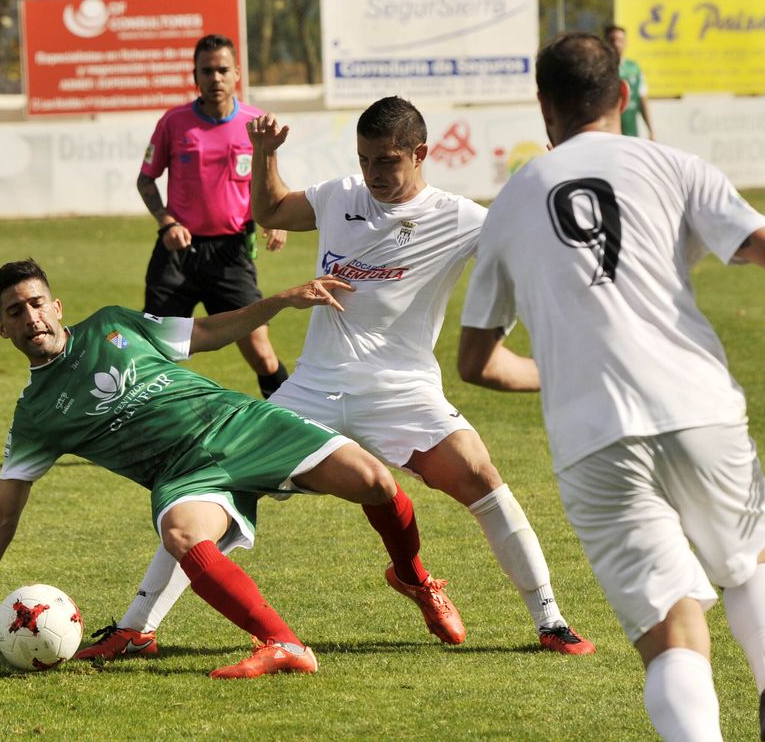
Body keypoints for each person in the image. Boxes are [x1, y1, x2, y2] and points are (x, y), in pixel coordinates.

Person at [455, 32, 765, 741]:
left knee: (673, 635)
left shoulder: (510, 204)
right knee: (750, 566)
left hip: (593, 438)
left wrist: (572, 368)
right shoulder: (674, 165)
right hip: (698, 409)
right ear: (623, 96)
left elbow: (476, 361)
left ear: (543, 107)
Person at [72, 96, 595, 663]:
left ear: (420, 154)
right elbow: (270, 212)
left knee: (481, 478)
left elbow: (539, 242)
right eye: (365, 159)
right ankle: (135, 627)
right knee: (214, 482)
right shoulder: (342, 194)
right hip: (312, 390)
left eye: (387, 162)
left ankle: (551, 621)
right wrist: (265, 155)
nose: (372, 174)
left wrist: (554, 180)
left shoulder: (461, 218)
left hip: (403, 390)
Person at [0, 258, 443, 679]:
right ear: (1, 328)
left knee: (376, 483)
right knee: (183, 532)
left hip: (244, 424)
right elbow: (2, 513)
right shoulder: (35, 417)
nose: (31, 318)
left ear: (57, 305)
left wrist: (277, 302)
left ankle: (414, 579)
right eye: (16, 312)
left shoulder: (114, 324)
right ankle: (284, 644)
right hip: (187, 475)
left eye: (37, 304)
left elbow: (205, 333)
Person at [137, 34, 289, 399]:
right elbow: (146, 180)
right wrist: (166, 222)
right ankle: (147, 434)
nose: (215, 78)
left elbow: (269, 182)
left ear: (237, 73)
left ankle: (295, 423)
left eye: (222, 70)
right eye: (207, 71)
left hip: (231, 253)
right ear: (195, 76)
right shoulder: (174, 122)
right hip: (178, 251)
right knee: (151, 351)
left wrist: (276, 218)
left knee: (261, 353)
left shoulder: (256, 122)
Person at [604, 25, 654, 140]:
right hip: (608, 134)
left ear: (626, 42)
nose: (617, 44)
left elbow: (642, 100)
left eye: (620, 40)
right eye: (612, 40)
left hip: (631, 132)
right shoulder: (601, 69)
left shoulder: (634, 68)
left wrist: (651, 129)